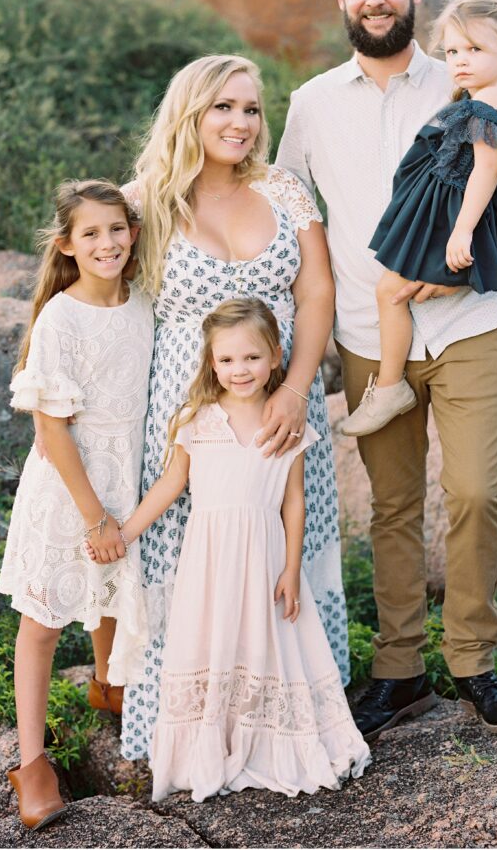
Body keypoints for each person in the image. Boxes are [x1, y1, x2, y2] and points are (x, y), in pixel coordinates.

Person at [276, 0, 497, 740]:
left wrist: (465, 267)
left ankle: (474, 664)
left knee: (474, 492)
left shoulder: (469, 71)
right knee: (392, 508)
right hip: (370, 333)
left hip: (470, 321)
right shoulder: (312, 103)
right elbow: (292, 216)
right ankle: (399, 672)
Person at [118, 54, 349, 762]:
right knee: (192, 564)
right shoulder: (144, 200)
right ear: (190, 113)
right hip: (186, 421)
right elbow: (94, 291)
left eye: (251, 109)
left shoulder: (284, 189)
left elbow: (315, 294)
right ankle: (190, 734)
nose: (241, 123)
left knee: (284, 551)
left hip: (280, 406)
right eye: (223, 107)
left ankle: (286, 725)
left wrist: (294, 388)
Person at [91, 299, 369, 800]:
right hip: (209, 561)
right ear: (211, 363)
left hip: (264, 558)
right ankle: (209, 744)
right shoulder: (198, 419)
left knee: (263, 644)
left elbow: (295, 502)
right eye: (227, 360)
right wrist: (125, 533)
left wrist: (290, 568)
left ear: (276, 356)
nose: (239, 370)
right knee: (212, 641)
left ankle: (266, 742)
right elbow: (170, 485)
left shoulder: (285, 423)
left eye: (251, 358)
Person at [0, 179, 153, 829]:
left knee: (115, 590)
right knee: (44, 618)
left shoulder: (146, 303)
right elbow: (51, 429)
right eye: (90, 233)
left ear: (134, 233)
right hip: (70, 488)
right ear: (66, 244)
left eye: (117, 228)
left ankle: (108, 681)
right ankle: (32, 764)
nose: (107, 242)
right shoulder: (61, 316)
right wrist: (94, 514)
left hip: (128, 478)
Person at [342, 0, 497, 437]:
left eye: (474, 49)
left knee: (389, 292)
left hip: (455, 214)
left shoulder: (485, 104)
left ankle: (391, 386)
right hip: (462, 206)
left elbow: (488, 168)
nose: (460, 60)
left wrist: (461, 231)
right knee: (399, 288)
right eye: (453, 50)